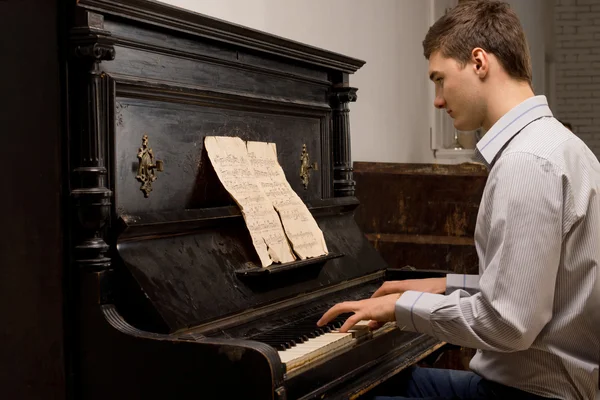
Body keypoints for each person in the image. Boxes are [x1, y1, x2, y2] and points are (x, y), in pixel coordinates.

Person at [317, 1, 600, 399]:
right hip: (545, 383)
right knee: (379, 384)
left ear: (479, 62)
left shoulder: (527, 162)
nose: (437, 99)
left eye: (439, 79)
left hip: (531, 392)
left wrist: (400, 309)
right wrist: (446, 285)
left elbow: (509, 324)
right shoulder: (559, 146)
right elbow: (532, 287)